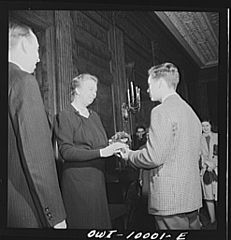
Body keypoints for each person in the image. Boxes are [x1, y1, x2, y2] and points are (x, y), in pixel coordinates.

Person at [120, 62, 202, 230]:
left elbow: (153, 157)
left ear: (160, 83)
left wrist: (129, 155)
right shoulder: (191, 112)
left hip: (169, 199)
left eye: (149, 85)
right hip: (191, 196)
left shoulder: (160, 111)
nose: (148, 90)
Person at [8, 20, 66, 228]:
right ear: (24, 44)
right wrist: (56, 216)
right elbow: (37, 157)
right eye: (37, 49)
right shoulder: (23, 81)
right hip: (24, 209)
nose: (39, 58)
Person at [54, 73, 126, 229]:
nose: (94, 94)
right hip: (78, 183)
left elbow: (97, 145)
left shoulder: (94, 116)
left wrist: (114, 143)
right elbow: (66, 151)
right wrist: (102, 152)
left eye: (95, 91)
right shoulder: (65, 115)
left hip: (97, 180)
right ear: (77, 90)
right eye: (90, 89)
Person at [200, 120, 218, 229]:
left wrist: (214, 164)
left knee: (218, 195)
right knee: (208, 196)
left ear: (210, 125)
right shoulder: (198, 139)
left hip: (216, 169)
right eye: (203, 126)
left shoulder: (217, 136)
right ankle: (213, 220)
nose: (205, 128)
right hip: (205, 170)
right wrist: (206, 164)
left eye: (207, 125)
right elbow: (198, 154)